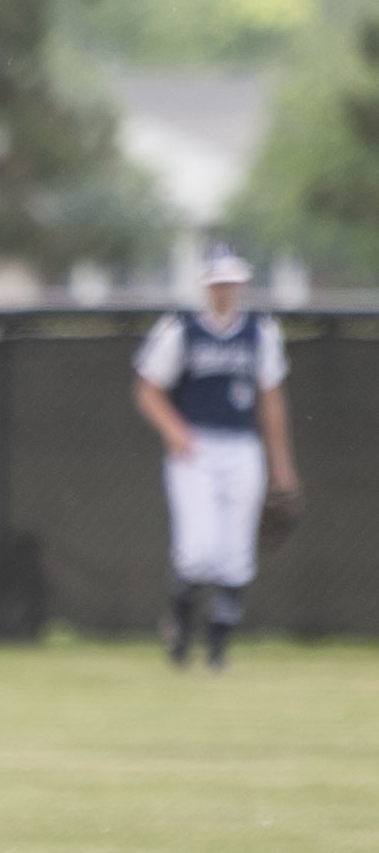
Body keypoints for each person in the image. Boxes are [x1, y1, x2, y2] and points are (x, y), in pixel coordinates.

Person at [133, 245, 300, 671]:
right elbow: (148, 388)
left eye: (233, 282)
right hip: (196, 447)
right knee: (198, 550)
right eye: (219, 282)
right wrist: (175, 430)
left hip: (243, 446)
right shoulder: (181, 328)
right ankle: (179, 630)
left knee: (236, 555)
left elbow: (271, 401)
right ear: (207, 284)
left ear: (241, 284)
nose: (226, 289)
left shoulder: (261, 330)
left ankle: (217, 652)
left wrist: (282, 467)